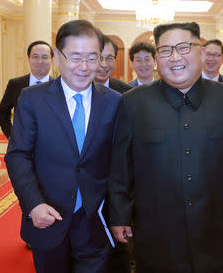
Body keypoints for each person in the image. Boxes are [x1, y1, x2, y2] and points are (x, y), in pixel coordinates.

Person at [109, 22, 223, 273]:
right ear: (157, 59)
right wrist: (119, 214)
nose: (175, 57)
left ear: (201, 52)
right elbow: (121, 166)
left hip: (219, 228)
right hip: (158, 232)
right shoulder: (134, 102)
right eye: (165, 50)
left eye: (184, 47)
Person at [4, 19, 121, 273]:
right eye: (75, 57)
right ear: (58, 57)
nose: (84, 67)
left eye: (93, 58)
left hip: (95, 221)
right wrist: (33, 204)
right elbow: (18, 156)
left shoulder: (114, 102)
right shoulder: (32, 99)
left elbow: (120, 161)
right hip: (48, 217)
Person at [96, 34, 133, 273]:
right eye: (99, 57)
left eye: (110, 57)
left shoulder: (126, 94)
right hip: (82, 188)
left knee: (119, 249)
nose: (104, 63)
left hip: (116, 183)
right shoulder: (73, 88)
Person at [0, 40, 54, 138]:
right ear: (28, 59)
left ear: (52, 60)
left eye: (44, 57)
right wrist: (12, 136)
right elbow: (2, 112)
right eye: (35, 57)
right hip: (22, 147)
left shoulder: (59, 87)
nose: (40, 61)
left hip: (51, 146)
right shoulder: (15, 84)